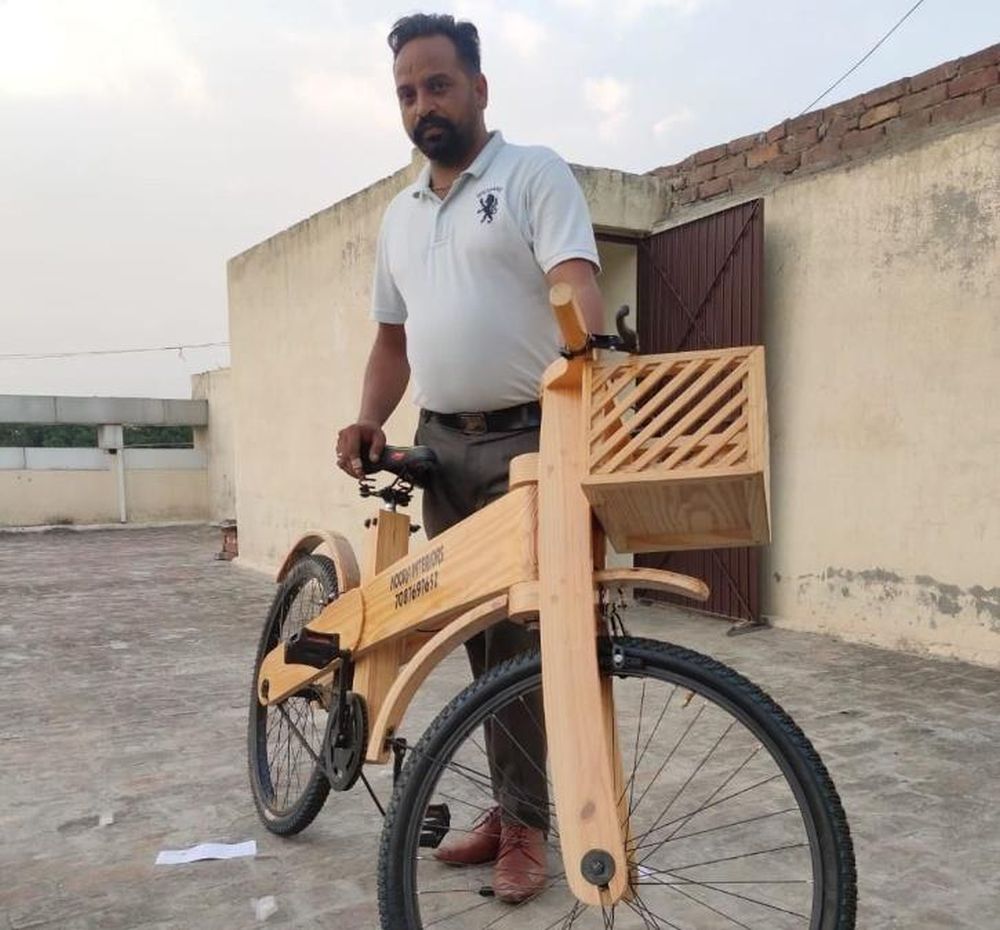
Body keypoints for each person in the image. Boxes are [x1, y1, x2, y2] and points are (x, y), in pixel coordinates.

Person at [335, 12, 604, 903]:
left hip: (535, 439)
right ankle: (512, 806)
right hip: (444, 450)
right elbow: (391, 342)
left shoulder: (533, 175)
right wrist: (369, 417)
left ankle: (529, 824)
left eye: (438, 84)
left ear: (480, 88)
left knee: (533, 638)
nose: (423, 105)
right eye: (407, 92)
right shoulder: (398, 217)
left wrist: (583, 341)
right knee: (483, 646)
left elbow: (576, 282)